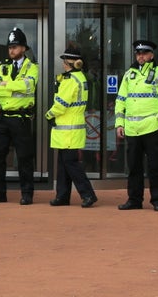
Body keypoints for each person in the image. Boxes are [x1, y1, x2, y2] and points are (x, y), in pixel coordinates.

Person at [115, 39, 158, 211]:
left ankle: (157, 200)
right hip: (132, 129)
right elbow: (120, 101)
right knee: (134, 167)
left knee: (155, 166)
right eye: (138, 53)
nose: (140, 56)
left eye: (144, 53)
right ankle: (134, 200)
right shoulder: (129, 74)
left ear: (151, 55)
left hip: (153, 127)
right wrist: (119, 123)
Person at [0, 27, 39, 205]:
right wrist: (14, 84)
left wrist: (6, 84)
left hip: (21, 118)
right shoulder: (3, 65)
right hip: (3, 118)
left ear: (23, 48)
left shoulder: (32, 67)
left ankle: (27, 193)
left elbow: (29, 86)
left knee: (24, 157)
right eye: (9, 47)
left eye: (15, 47)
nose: (11, 50)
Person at [46, 47, 97, 208]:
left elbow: (61, 104)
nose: (63, 64)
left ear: (69, 62)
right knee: (64, 164)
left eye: (64, 61)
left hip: (67, 128)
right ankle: (62, 196)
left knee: (70, 163)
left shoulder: (70, 81)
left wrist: (49, 115)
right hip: (70, 128)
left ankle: (88, 194)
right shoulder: (79, 77)